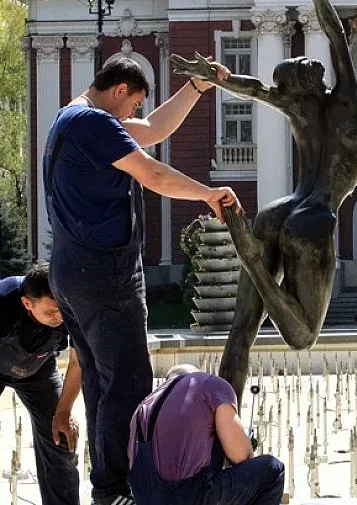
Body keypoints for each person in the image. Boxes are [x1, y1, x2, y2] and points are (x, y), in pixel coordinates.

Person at [43, 57, 242, 505]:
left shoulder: (69, 120)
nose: (129, 115)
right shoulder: (94, 124)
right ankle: (118, 491)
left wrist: (193, 87)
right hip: (104, 275)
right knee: (128, 383)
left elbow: (152, 128)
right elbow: (152, 173)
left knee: (100, 383)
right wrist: (207, 194)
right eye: (129, 104)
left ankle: (107, 487)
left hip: (72, 272)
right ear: (118, 91)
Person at [170, 0, 357, 398]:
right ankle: (251, 259)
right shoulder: (343, 101)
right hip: (313, 216)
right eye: (301, 66)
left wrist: (215, 79)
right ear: (302, 86)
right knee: (301, 336)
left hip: (280, 211)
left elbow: (255, 89)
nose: (308, 63)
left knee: (242, 327)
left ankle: (221, 424)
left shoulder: (299, 106)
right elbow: (335, 35)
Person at [0, 263, 81, 505]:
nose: (60, 318)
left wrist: (63, 411)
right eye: (51, 312)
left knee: (61, 437)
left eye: (61, 311)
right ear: (27, 303)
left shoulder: (71, 304)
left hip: (39, 369)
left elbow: (78, 362)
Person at [127, 364, 284, 505]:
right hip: (188, 495)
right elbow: (241, 456)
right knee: (272, 469)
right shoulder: (208, 384)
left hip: (144, 498)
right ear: (196, 374)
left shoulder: (142, 409)